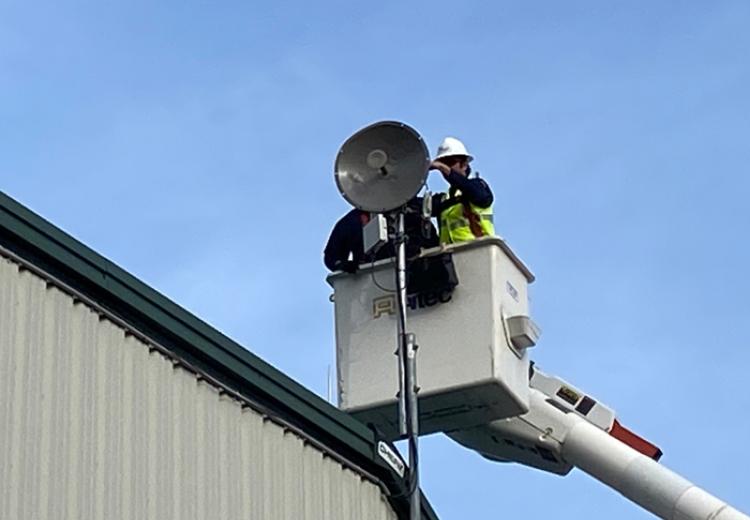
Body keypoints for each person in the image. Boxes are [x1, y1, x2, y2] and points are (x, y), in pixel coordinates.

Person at [323, 198, 438, 273]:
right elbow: (331, 257)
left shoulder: (412, 209)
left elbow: (438, 207)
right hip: (370, 283)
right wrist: (343, 265)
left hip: (420, 274)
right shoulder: (353, 220)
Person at [429, 137, 494, 244]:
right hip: (449, 257)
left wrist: (442, 167)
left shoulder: (478, 186)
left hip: (478, 252)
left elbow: (475, 192)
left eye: (448, 162)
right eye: (442, 163)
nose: (444, 167)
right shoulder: (444, 199)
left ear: (464, 164)